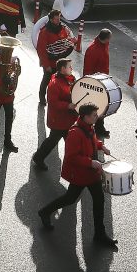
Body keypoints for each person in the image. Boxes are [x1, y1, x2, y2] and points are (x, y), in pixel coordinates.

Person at [37, 105, 117, 249]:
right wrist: (90, 162)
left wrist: (100, 146)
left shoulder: (88, 127)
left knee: (99, 200)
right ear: (85, 116)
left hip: (91, 173)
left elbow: (91, 142)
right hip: (81, 173)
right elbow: (71, 157)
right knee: (70, 198)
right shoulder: (75, 133)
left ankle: (100, 233)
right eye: (93, 115)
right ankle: (45, 212)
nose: (96, 117)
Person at [31, 57, 76, 170]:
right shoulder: (54, 84)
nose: (72, 68)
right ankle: (38, 157)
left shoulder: (69, 78)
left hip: (67, 118)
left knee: (67, 142)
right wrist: (68, 105)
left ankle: (39, 157)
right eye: (69, 66)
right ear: (62, 69)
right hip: (59, 120)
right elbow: (53, 102)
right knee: (53, 141)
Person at [36, 8, 75, 104]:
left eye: (59, 19)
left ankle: (57, 98)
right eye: (56, 19)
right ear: (51, 20)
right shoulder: (44, 32)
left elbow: (66, 41)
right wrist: (46, 65)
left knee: (60, 82)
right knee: (46, 81)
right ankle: (42, 98)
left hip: (60, 61)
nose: (59, 21)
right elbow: (41, 50)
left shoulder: (63, 29)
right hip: (50, 62)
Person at [82, 27, 112, 139]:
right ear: (106, 39)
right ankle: (92, 128)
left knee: (101, 106)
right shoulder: (93, 50)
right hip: (95, 83)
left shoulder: (103, 45)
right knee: (93, 107)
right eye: (109, 38)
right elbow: (88, 69)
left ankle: (100, 127)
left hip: (101, 80)